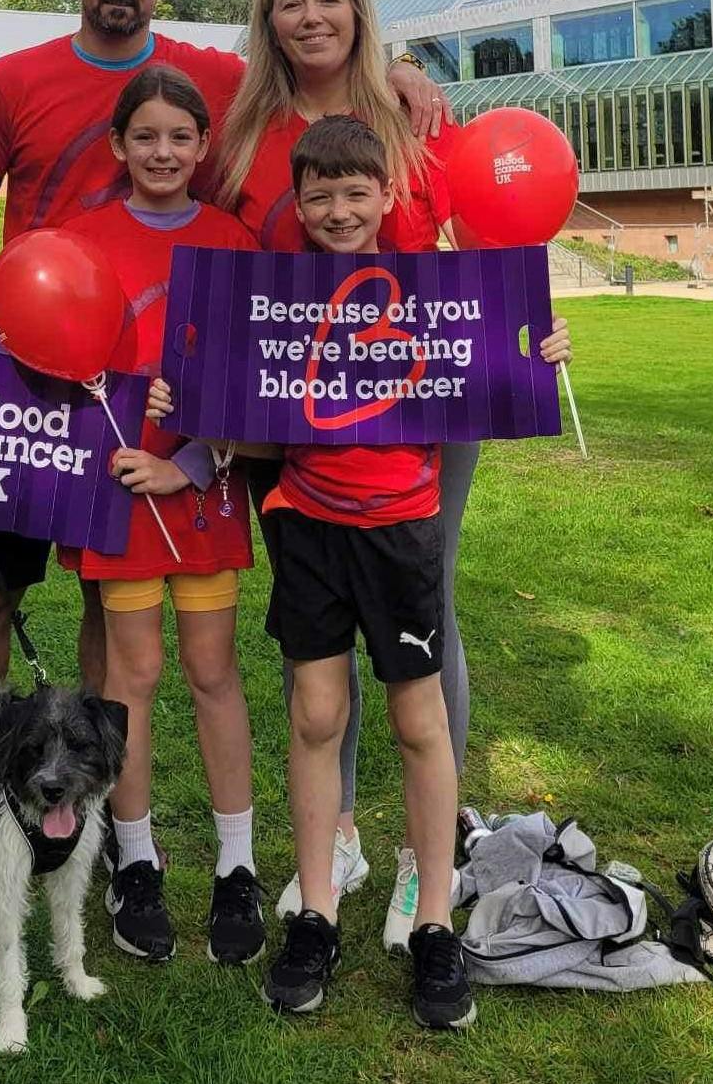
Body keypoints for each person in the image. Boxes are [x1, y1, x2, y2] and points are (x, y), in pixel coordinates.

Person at [0, 0, 448, 927]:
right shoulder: (15, 79)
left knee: (161, 651)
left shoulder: (212, 82)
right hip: (41, 382)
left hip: (175, 432)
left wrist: (402, 67)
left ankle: (151, 839)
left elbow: (315, 73)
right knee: (0, 599)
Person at [212, 0, 572, 949]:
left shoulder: (417, 112)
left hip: (421, 404)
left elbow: (477, 256)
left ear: (359, 10)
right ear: (266, 18)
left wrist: (525, 340)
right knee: (313, 621)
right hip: (291, 403)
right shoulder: (239, 127)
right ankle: (340, 843)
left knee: (424, 598)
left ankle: (427, 854)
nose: (311, 17)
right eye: (290, 2)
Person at [256, 115, 473, 1027]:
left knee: (417, 718)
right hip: (305, 523)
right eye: (320, 194)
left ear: (388, 196)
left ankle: (432, 922)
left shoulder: (427, 290)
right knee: (314, 712)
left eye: (355, 192)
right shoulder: (277, 298)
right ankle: (316, 908)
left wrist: (538, 349)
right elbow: (235, 406)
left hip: (400, 526)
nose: (338, 210)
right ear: (296, 202)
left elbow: (493, 356)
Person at [59, 66, 262, 966]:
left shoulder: (234, 241)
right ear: (117, 145)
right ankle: (133, 860)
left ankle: (236, 863)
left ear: (203, 145)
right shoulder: (82, 240)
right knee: (129, 679)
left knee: (212, 672)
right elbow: (4, 337)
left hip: (202, 492)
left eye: (181, 136)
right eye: (145, 136)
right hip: (117, 493)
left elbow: (264, 382)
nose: (163, 152)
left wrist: (187, 464)